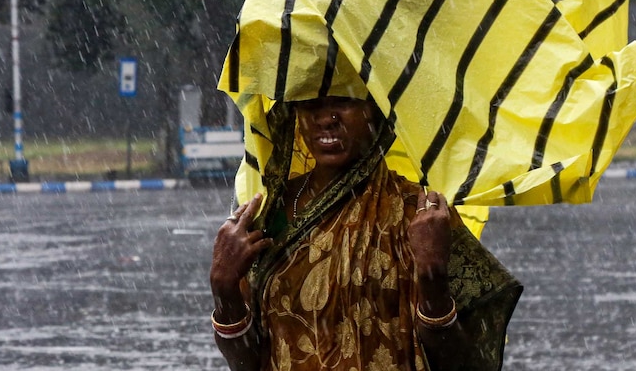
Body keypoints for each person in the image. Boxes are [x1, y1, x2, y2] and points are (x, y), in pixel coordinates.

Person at [210, 96, 522, 371]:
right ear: (295, 116)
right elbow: (245, 362)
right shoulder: (269, 214)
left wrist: (433, 280)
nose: (326, 118)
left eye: (343, 101)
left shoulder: (419, 213)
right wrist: (224, 288)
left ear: (374, 110)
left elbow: (464, 363)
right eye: (311, 105)